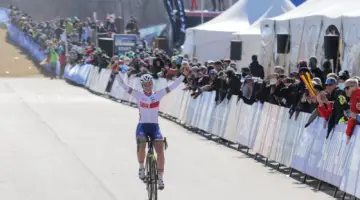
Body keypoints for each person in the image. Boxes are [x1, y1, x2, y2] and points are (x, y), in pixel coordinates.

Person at [116, 68, 190, 190]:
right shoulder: (138, 95)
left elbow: (172, 86)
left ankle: (160, 177)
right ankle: (141, 167)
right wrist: (115, 73)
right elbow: (124, 86)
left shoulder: (158, 94)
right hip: (142, 126)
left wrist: (183, 75)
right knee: (141, 143)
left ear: (152, 84)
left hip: (155, 127)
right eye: (145, 85)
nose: (148, 86)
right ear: (142, 85)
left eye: (150, 84)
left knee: (160, 150)